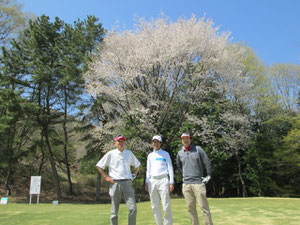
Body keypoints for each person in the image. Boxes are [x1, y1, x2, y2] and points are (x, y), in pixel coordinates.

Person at [96, 135, 141, 225]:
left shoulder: (129, 153)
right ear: (115, 143)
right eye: (119, 141)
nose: (121, 143)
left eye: (122, 141)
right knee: (114, 211)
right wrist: (106, 177)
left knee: (133, 209)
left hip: (127, 183)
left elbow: (137, 165)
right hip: (115, 183)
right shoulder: (110, 154)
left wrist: (134, 175)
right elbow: (99, 165)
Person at [176, 131, 213, 225]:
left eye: (187, 138)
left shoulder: (198, 149)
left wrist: (208, 175)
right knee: (190, 208)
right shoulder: (180, 153)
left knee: (204, 207)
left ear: (190, 139)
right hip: (186, 184)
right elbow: (178, 165)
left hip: (198, 183)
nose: (185, 140)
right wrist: (182, 176)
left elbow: (207, 161)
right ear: (181, 140)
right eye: (183, 139)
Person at [145, 135, 174, 225]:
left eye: (157, 142)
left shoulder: (165, 154)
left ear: (160, 143)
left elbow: (170, 168)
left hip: (163, 180)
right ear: (152, 143)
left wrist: (171, 181)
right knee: (154, 205)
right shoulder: (150, 155)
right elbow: (148, 170)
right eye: (154, 142)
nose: (155, 144)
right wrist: (146, 181)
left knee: (166, 205)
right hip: (152, 181)